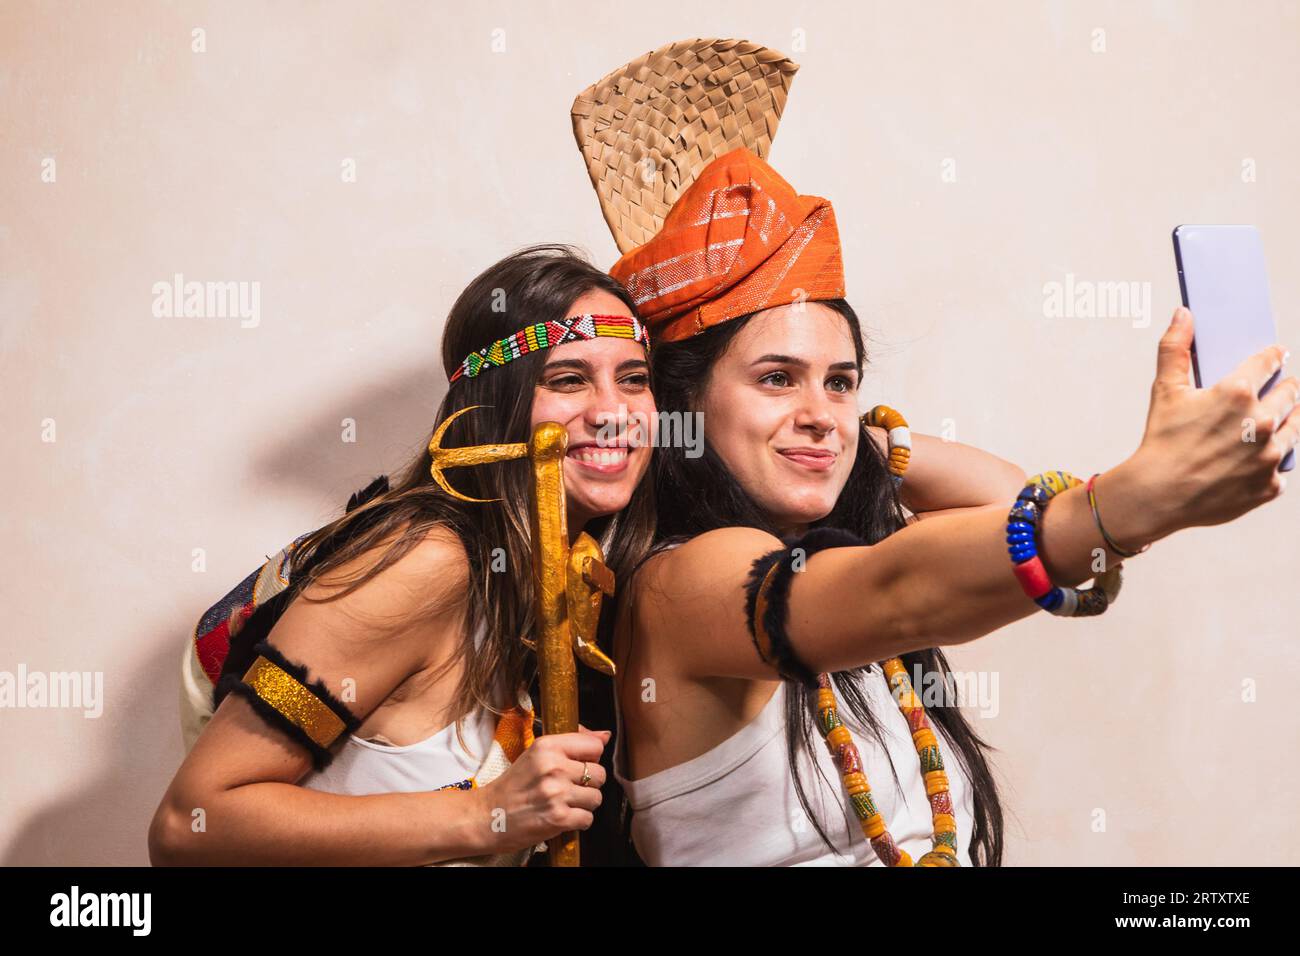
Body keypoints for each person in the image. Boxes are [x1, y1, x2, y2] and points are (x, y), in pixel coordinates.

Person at [605, 147, 1296, 866]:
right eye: (777, 379)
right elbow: (900, 591)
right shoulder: (680, 585)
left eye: (840, 382)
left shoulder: (835, 538)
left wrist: (850, 445)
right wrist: (1127, 502)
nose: (822, 410)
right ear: (682, 403)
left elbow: (1009, 500)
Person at [149, 244, 657, 866]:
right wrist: (487, 814)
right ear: (489, 406)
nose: (614, 413)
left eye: (633, 379)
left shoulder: (564, 572)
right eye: (568, 379)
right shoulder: (424, 559)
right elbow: (188, 825)